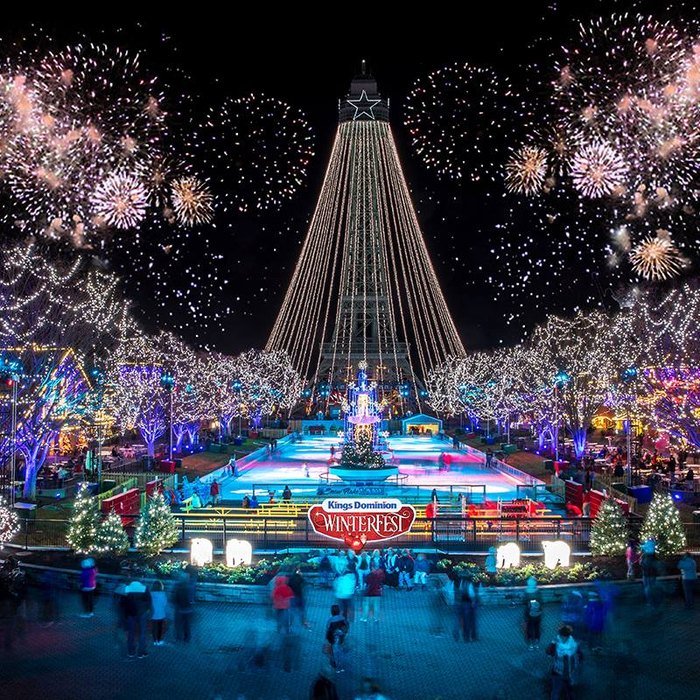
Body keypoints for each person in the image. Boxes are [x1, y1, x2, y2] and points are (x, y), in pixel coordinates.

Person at [546, 624, 583, 700]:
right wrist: (553, 643)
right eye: (561, 636)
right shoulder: (559, 643)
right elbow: (548, 652)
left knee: (565, 690)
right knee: (558, 690)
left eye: (564, 636)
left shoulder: (572, 644)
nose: (562, 638)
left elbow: (580, 656)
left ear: (568, 636)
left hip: (565, 671)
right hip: (560, 671)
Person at [121, 580, 151, 658]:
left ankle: (131, 652)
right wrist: (146, 610)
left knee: (131, 633)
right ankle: (141, 653)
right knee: (142, 633)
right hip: (142, 613)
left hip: (130, 614)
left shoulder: (127, 589)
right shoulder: (145, 588)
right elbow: (149, 601)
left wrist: (125, 614)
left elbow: (123, 603)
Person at [325, 603, 349, 672]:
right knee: (340, 651)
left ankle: (335, 665)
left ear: (331, 612)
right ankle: (341, 666)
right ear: (339, 611)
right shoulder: (343, 618)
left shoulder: (330, 620)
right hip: (341, 638)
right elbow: (347, 627)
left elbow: (328, 629)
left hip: (333, 639)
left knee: (333, 652)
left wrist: (327, 640)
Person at [172, 571, 194, 642]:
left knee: (178, 624)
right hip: (187, 608)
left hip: (179, 608)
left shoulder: (177, 586)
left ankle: (178, 637)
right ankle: (187, 638)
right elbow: (192, 598)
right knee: (186, 624)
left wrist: (174, 603)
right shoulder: (190, 586)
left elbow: (174, 597)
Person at [524, 577, 543, 650]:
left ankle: (534, 643)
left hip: (535, 613)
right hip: (531, 613)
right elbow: (525, 601)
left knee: (535, 628)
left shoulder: (536, 591)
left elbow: (541, 602)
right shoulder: (529, 591)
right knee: (531, 628)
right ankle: (533, 643)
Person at [150, 580, 168, 646]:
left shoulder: (150, 594)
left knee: (154, 627)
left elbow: (149, 603)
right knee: (160, 627)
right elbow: (165, 604)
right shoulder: (163, 594)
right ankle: (159, 640)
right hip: (161, 613)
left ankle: (154, 641)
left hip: (153, 613)